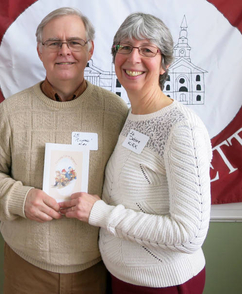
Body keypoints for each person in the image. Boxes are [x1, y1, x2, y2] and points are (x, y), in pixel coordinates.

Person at [0, 7, 128, 294]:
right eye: (53, 43)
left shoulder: (116, 113)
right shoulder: (10, 112)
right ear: (40, 51)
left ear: (90, 50)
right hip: (26, 267)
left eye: (74, 42)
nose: (64, 51)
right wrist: (20, 198)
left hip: (98, 266)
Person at [59, 12, 212, 294]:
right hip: (122, 277)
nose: (133, 58)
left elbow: (188, 234)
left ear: (164, 63)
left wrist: (101, 213)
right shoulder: (131, 116)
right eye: (125, 48)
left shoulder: (181, 128)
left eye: (147, 50)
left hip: (162, 283)